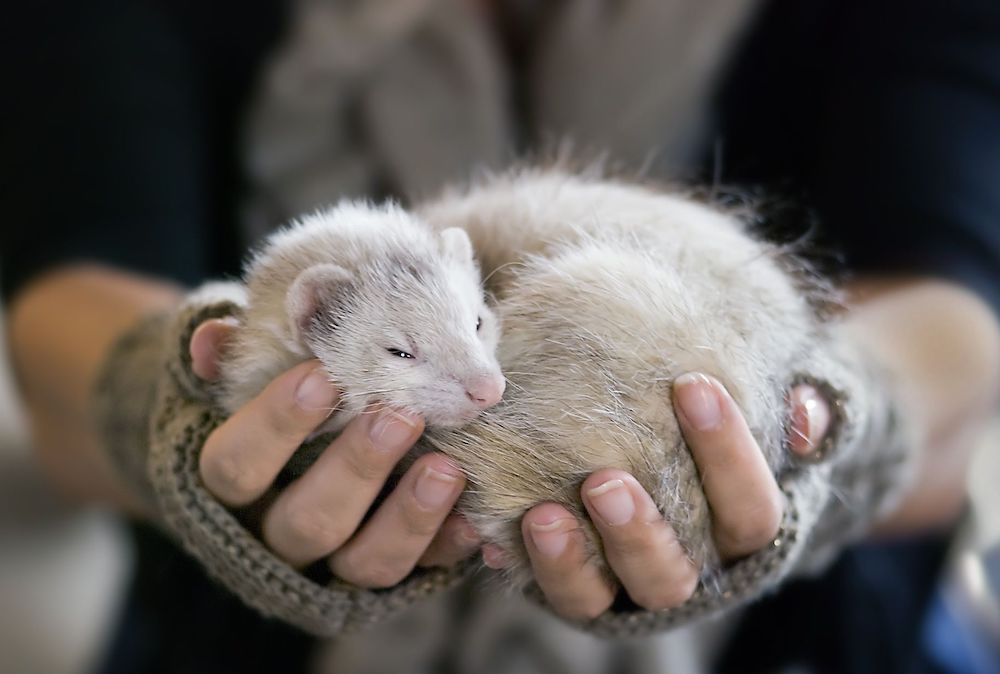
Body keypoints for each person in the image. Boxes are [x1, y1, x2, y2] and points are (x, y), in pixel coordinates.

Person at [4, 0, 999, 672]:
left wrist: (821, 421)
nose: (486, 384)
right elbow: (62, 302)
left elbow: (958, 317)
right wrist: (179, 404)